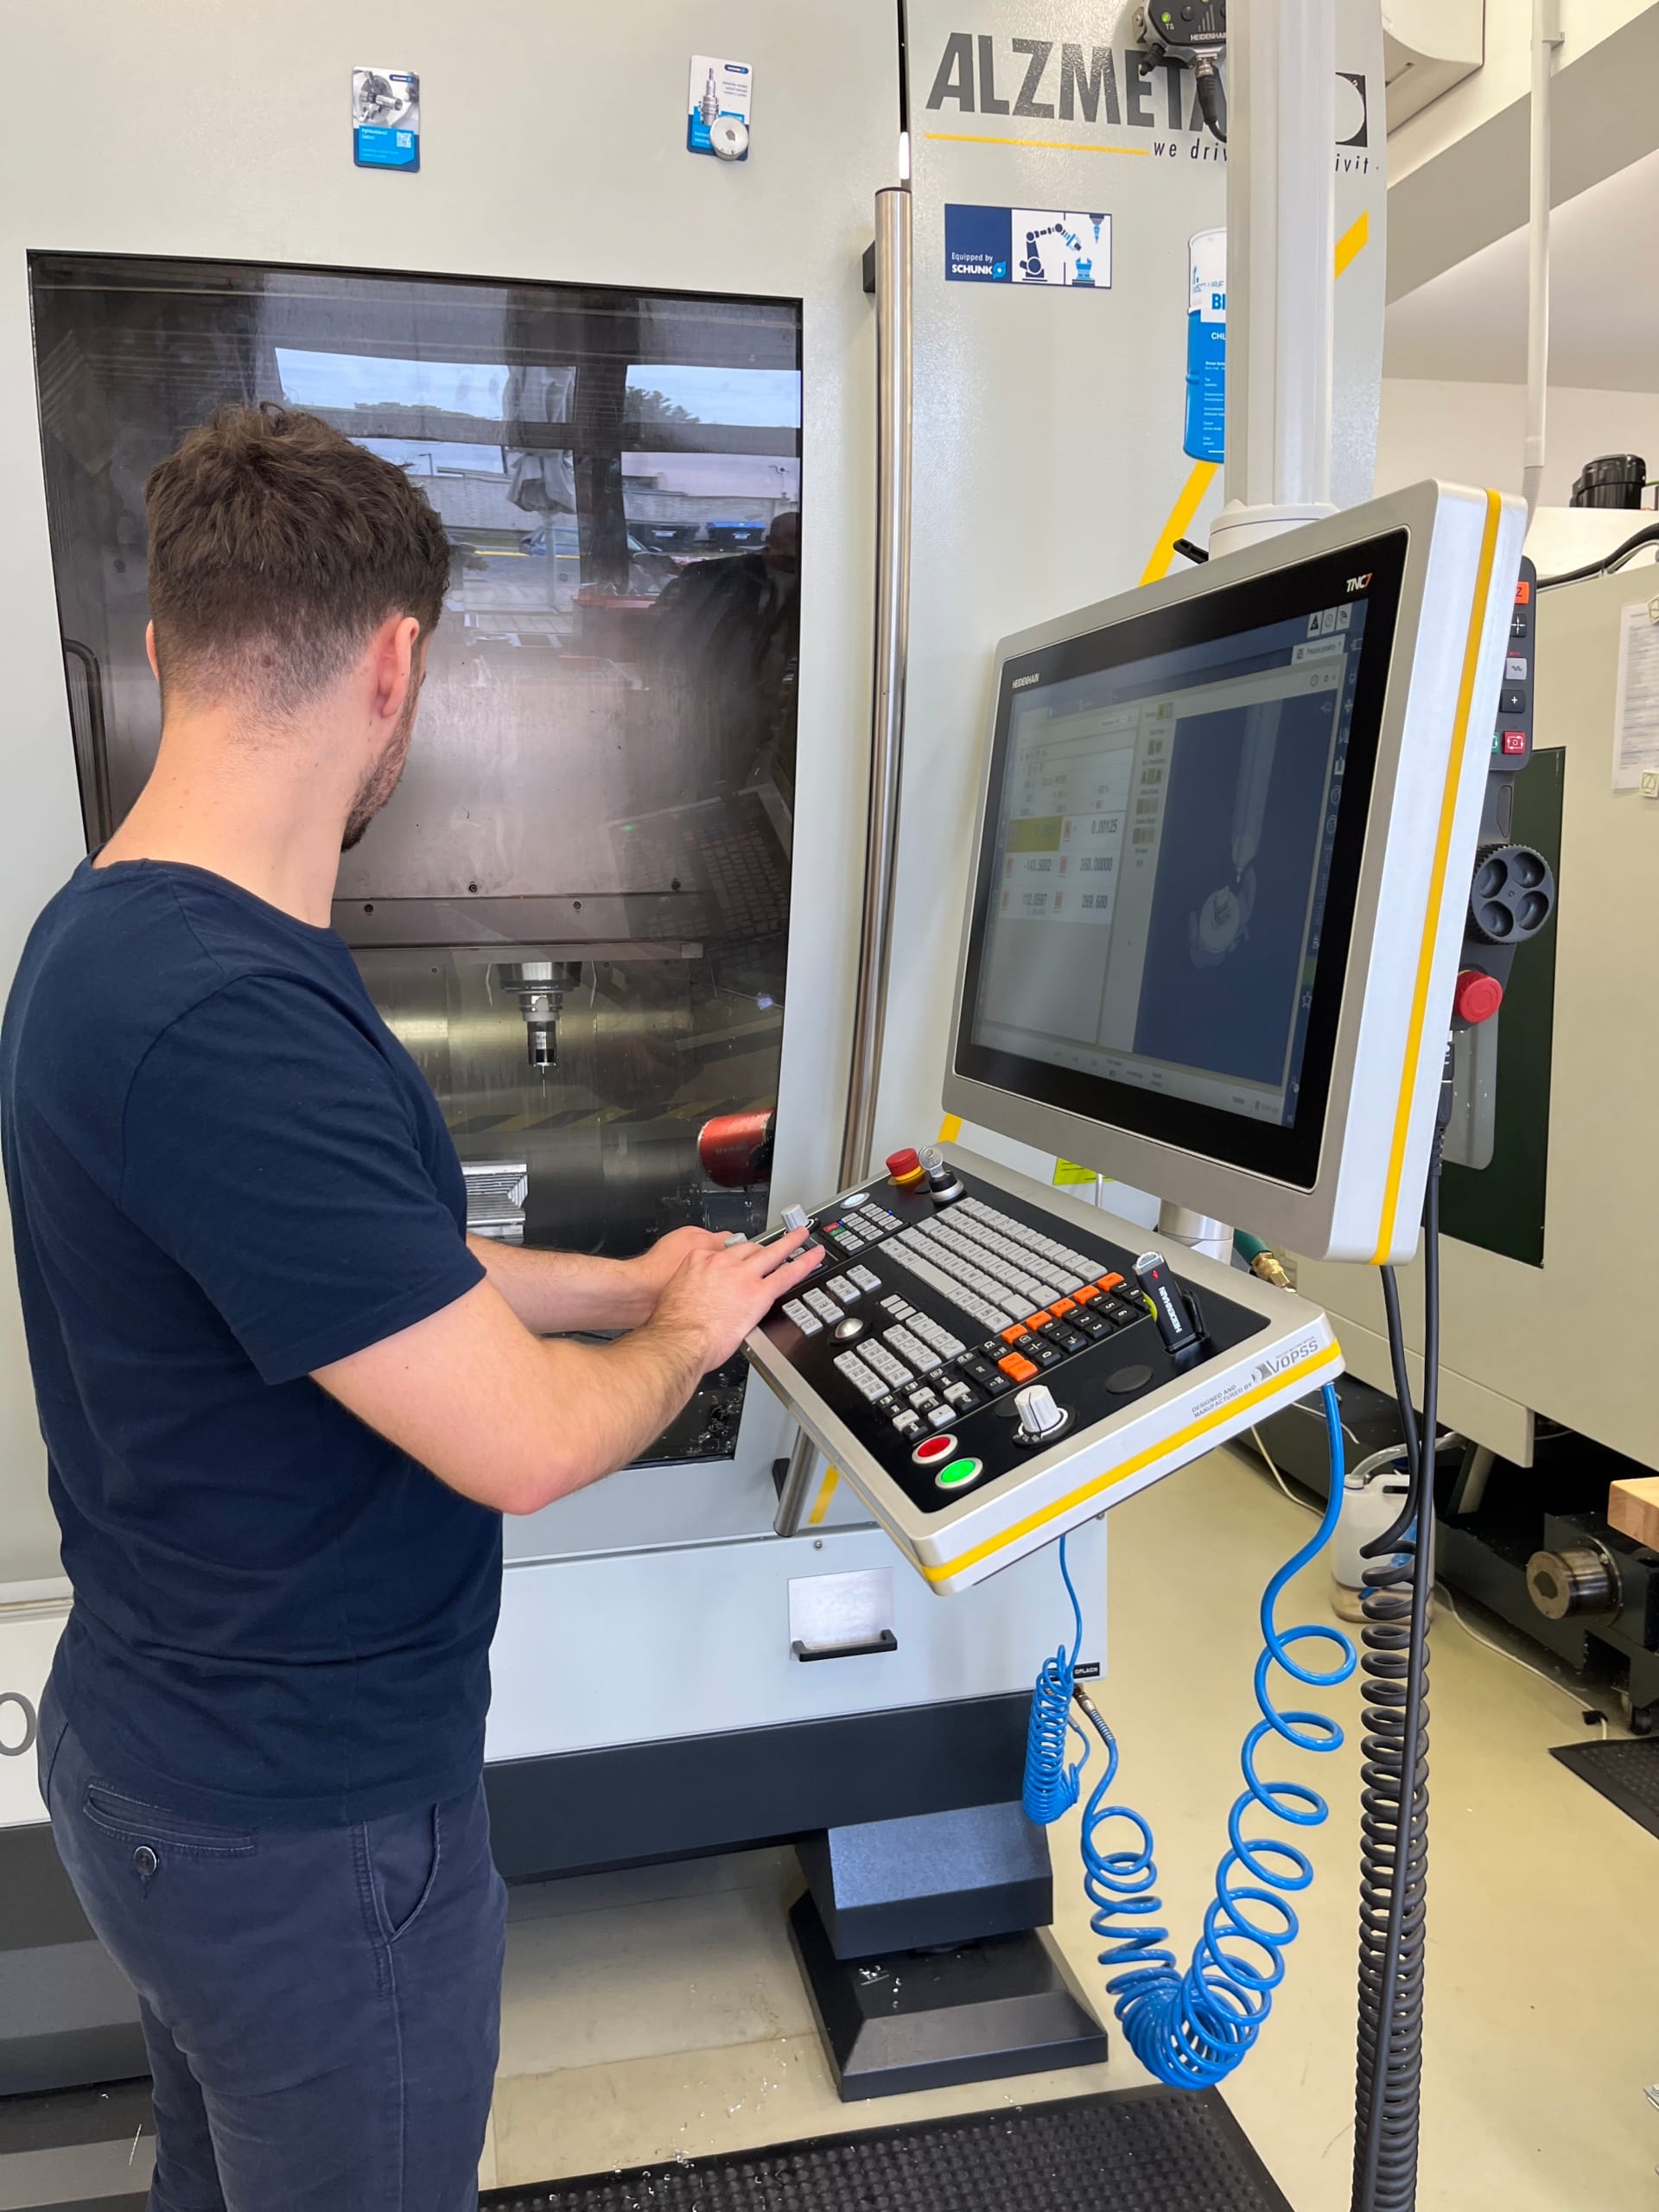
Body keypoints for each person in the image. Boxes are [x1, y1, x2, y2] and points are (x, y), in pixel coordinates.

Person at [0, 404, 820, 2212]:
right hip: (303, 1833)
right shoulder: (226, 1017)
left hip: (163, 1759)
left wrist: (633, 1276)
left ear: (165, 645)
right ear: (396, 665)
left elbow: (371, 1268)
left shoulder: (112, 936)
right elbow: (521, 1444)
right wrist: (685, 1342)